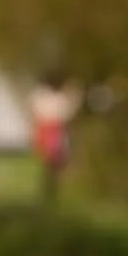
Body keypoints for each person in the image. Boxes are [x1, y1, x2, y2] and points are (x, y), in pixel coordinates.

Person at [27, 76, 82, 206]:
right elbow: (64, 111)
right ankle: (50, 189)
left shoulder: (45, 97)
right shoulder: (49, 98)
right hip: (50, 129)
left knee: (54, 163)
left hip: (51, 129)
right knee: (52, 162)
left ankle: (51, 189)